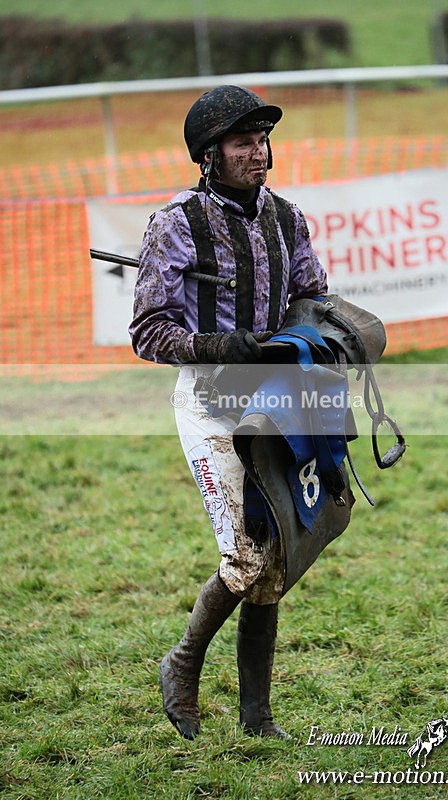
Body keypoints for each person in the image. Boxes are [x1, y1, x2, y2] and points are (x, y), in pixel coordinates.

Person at [129, 85, 329, 741]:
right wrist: (216, 343)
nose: (259, 152)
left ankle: (256, 718)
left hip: (276, 405)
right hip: (210, 405)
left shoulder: (288, 219)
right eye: (244, 142)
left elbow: (311, 300)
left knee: (276, 561)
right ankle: (180, 665)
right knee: (245, 556)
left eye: (263, 140)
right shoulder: (174, 224)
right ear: (208, 156)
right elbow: (148, 333)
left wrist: (311, 340)